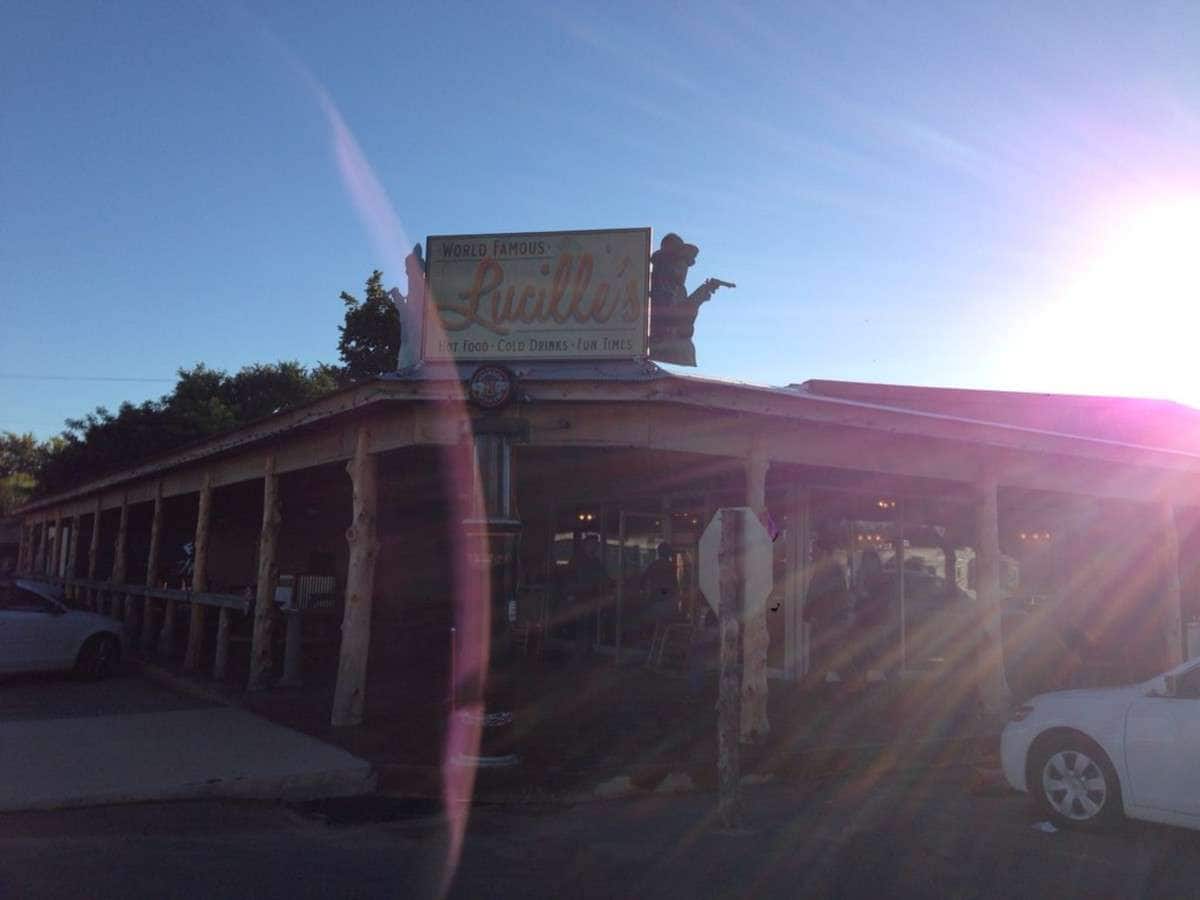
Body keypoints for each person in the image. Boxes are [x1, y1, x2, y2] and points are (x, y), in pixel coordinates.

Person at [562, 535, 608, 657]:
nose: (594, 546)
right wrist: (570, 594)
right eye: (592, 543)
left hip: (592, 598)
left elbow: (603, 578)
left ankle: (587, 649)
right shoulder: (576, 560)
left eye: (596, 544)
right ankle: (580, 650)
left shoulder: (596, 562)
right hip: (579, 597)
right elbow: (568, 578)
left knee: (590, 623)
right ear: (585, 544)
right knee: (582, 624)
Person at [638, 542, 680, 642]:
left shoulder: (654, 565)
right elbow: (675, 587)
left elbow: (642, 583)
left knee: (641, 616)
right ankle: (661, 640)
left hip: (658, 607)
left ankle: (647, 642)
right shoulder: (672, 567)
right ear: (669, 553)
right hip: (671, 607)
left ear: (658, 552)